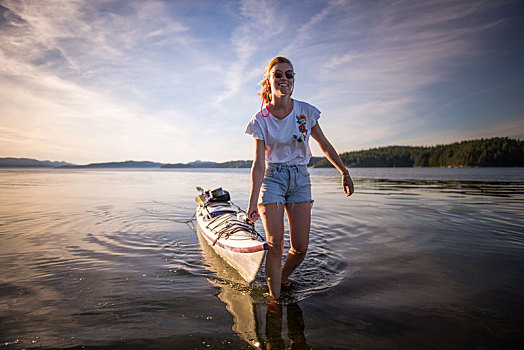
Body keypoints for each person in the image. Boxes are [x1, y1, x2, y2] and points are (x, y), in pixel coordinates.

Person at [245, 56, 354, 300]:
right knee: (275, 245)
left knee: (301, 247)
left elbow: (324, 144)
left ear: (293, 80)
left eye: (289, 74)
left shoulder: (306, 111)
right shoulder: (260, 120)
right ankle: (274, 304)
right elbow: (259, 163)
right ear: (269, 80)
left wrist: (344, 172)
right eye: (278, 74)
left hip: (300, 178)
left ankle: (283, 276)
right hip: (273, 178)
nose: (284, 78)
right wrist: (252, 202)